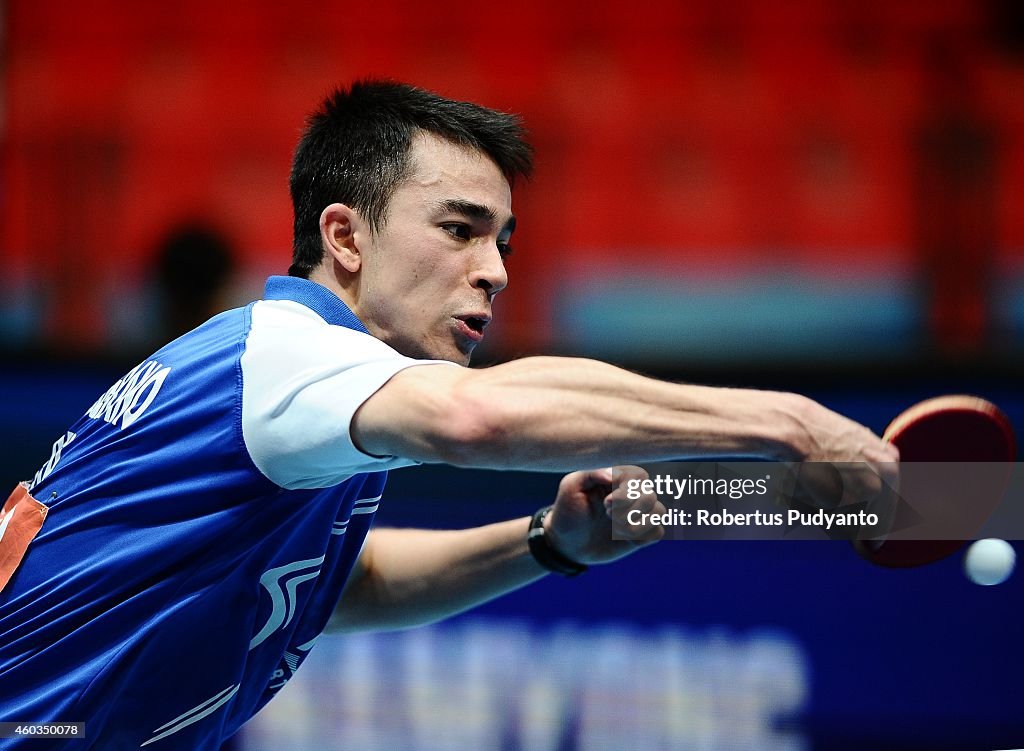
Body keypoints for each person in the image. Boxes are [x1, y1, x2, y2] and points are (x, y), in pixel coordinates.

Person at [0, 80, 898, 749]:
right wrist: (795, 423)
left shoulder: (296, 402)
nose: (496, 270)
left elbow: (343, 584)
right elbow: (479, 419)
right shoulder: (286, 349)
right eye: (459, 229)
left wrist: (549, 541)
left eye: (502, 240)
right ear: (345, 237)